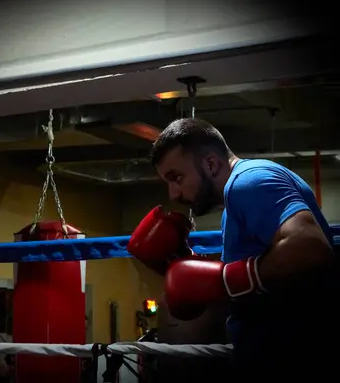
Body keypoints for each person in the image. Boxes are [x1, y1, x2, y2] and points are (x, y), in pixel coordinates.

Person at [128, 118, 338, 380]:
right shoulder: (236, 200)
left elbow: (311, 249)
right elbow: (261, 281)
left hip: (291, 359)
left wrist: (224, 280)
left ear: (211, 164)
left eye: (177, 177)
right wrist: (188, 269)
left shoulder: (248, 182)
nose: (173, 194)